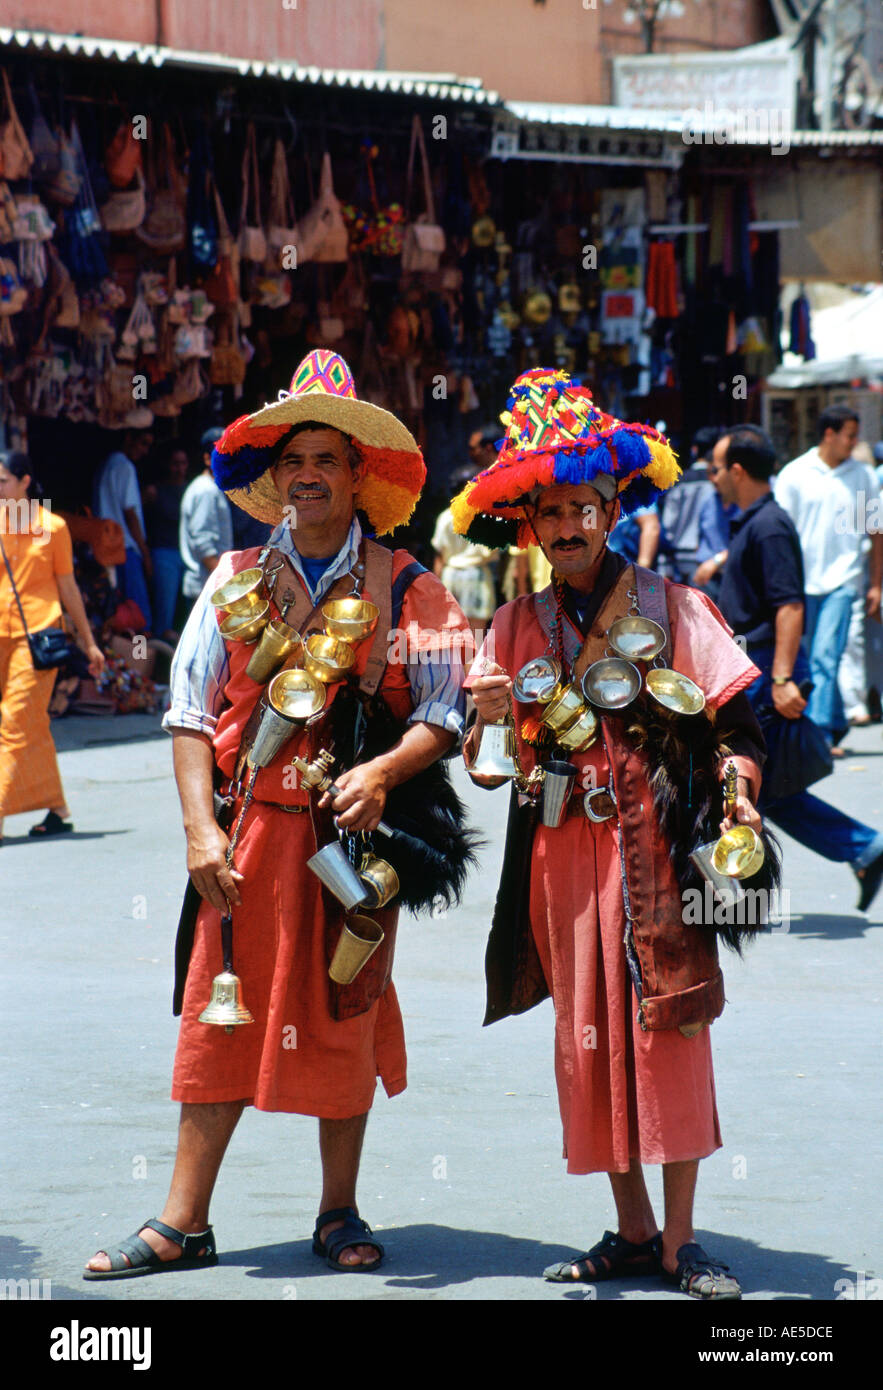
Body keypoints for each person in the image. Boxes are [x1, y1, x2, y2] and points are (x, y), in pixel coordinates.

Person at [84, 350, 474, 1280]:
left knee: (348, 1005)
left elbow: (446, 709)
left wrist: (383, 770)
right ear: (274, 476)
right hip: (246, 836)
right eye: (293, 458)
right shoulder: (229, 582)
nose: (307, 475)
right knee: (218, 1017)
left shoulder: (406, 582)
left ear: (357, 475)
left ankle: (337, 1210)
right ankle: (183, 1221)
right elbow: (185, 715)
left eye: (326, 459)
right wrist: (198, 831)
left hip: (354, 841)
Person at [453, 367, 770, 1300]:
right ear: (529, 525)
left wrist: (739, 788)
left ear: (613, 507)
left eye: (583, 508)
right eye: (549, 512)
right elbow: (484, 769)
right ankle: (631, 1227)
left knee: (668, 1031)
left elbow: (736, 723)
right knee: (584, 1036)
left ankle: (680, 1240)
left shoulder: (673, 609)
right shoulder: (512, 624)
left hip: (658, 854)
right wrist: (487, 717)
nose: (567, 527)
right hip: (560, 857)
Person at [713, 426, 883, 911]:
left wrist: (783, 678)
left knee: (746, 782)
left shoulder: (769, 526)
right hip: (756, 671)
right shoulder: (755, 523)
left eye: (720, 467)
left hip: (766, 673)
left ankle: (731, 892)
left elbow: (789, 606)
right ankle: (864, 848)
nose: (715, 476)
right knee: (762, 786)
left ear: (739, 471)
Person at [0, 451, 104, 845]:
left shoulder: (52, 526)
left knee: (13, 721)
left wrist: (89, 642)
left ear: (25, 481)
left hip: (39, 635)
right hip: (1, 635)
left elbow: (68, 588)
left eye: (3, 481)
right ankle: (56, 808)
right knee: (32, 726)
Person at [773, 404, 883, 754]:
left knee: (825, 656)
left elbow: (876, 530)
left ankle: (817, 737)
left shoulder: (864, 476)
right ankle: (834, 721)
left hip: (844, 582)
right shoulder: (795, 474)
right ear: (829, 434)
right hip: (800, 584)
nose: (854, 443)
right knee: (810, 658)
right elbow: (780, 531)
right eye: (849, 436)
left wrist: (876, 583)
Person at [93, 429, 154, 632]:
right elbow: (130, 513)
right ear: (129, 438)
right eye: (143, 443)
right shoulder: (124, 467)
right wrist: (145, 553)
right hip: (125, 547)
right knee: (138, 615)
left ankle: (129, 659)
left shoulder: (106, 465)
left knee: (119, 611)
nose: (145, 451)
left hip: (107, 545)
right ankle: (141, 659)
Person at [432, 464, 498, 644]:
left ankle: (454, 672)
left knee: (451, 636)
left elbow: (439, 557)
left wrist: (436, 589)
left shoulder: (445, 517)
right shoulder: (484, 517)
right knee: (477, 637)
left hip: (450, 576)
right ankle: (475, 672)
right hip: (476, 577)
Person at [179, 428, 233, 616]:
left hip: (209, 585)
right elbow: (204, 545)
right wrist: (228, 584)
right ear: (207, 459)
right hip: (205, 587)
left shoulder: (210, 488)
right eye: (221, 454)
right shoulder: (206, 491)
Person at [657, 426, 718, 584]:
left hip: (678, 559)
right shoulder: (719, 482)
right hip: (711, 560)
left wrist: (664, 566)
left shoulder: (678, 482)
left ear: (694, 450)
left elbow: (668, 524)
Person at [143, 446, 188, 641]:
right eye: (174, 464)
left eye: (183, 463)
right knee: (164, 607)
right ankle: (157, 654)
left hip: (186, 554)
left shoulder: (190, 490)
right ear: (167, 465)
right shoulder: (155, 491)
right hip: (163, 553)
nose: (179, 468)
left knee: (186, 606)